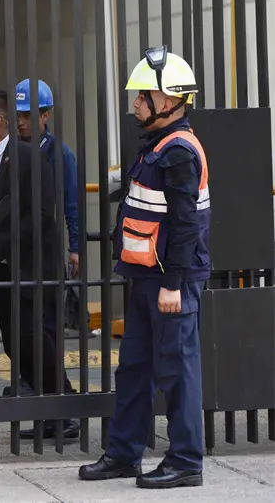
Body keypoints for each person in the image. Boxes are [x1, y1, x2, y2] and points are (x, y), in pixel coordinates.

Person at [79, 48, 208, 489]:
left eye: (142, 96)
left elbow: (186, 224)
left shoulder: (178, 152)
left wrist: (173, 283)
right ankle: (123, 453)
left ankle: (186, 461)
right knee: (133, 368)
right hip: (145, 277)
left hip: (171, 281)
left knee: (177, 371)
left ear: (168, 100)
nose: (134, 103)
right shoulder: (157, 145)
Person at [0, 89, 75, 441]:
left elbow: (44, 216)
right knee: (14, 344)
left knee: (35, 340)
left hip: (31, 270)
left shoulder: (28, 158)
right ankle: (48, 412)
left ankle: (64, 408)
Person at [15, 78, 83, 337]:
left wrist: (75, 248)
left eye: (28, 115)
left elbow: (72, 203)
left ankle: (51, 377)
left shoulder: (60, 153)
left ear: (45, 115)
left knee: (48, 322)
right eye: (19, 114)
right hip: (19, 245)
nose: (21, 121)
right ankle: (28, 376)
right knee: (21, 322)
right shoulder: (12, 149)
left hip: (47, 247)